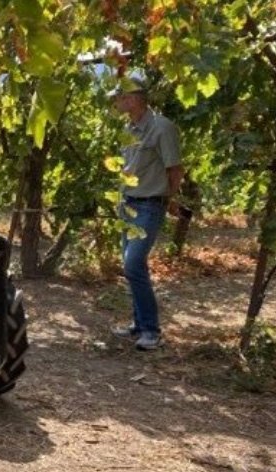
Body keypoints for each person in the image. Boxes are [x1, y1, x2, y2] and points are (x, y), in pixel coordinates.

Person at [108, 77, 185, 351]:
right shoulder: (128, 128)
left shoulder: (161, 127)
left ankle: (152, 330)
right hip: (128, 205)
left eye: (119, 97)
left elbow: (175, 169)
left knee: (133, 264)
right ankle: (139, 324)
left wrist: (169, 199)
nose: (116, 102)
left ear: (134, 99)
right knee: (132, 268)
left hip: (149, 205)